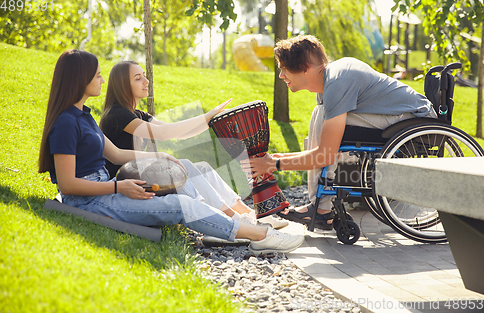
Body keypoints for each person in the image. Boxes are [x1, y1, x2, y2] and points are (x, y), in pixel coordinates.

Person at [38, 50, 303, 254]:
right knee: (181, 205)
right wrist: (119, 189)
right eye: (97, 75)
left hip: (107, 189)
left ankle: (246, 226)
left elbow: (117, 154)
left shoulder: (84, 117)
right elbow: (68, 184)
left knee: (186, 177)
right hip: (89, 201)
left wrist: (157, 156)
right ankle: (258, 236)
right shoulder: (66, 123)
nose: (101, 79)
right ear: (79, 78)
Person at [241, 35, 438, 230]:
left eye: (284, 69)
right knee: (322, 115)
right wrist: (274, 159)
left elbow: (324, 154)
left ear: (305, 68)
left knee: (325, 119)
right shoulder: (331, 81)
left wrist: (274, 164)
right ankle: (322, 206)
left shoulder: (337, 82)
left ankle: (321, 208)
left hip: (415, 120)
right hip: (403, 116)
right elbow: (324, 151)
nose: (281, 75)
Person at [99, 60, 288, 229]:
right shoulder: (117, 115)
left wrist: (212, 120)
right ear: (123, 85)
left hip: (138, 177)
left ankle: (249, 215)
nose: (146, 81)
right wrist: (206, 116)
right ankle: (232, 219)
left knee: (203, 167)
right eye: (138, 78)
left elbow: (180, 134)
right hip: (122, 183)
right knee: (186, 166)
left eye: (144, 76)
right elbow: (164, 133)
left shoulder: (137, 114)